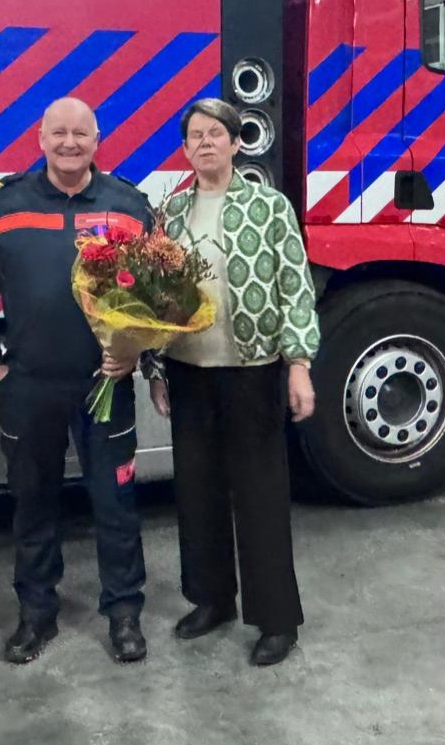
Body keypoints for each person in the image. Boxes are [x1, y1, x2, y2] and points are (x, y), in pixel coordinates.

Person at [0, 97, 154, 665]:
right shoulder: (6, 205)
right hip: (29, 387)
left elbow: (156, 294)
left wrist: (136, 351)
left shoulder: (129, 205)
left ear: (97, 140)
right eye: (59, 133)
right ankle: (36, 614)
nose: (69, 143)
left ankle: (124, 613)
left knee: (115, 502)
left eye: (80, 133)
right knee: (33, 503)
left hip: (105, 385)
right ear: (41, 139)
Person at [146, 98, 320, 666]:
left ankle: (277, 619)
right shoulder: (171, 214)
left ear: (236, 143)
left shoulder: (269, 207)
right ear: (185, 148)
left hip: (253, 371)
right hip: (188, 371)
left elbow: (295, 286)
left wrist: (299, 364)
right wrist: (155, 368)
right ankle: (212, 599)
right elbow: (153, 298)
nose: (205, 143)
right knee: (196, 493)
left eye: (215, 133)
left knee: (260, 495)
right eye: (195, 135)